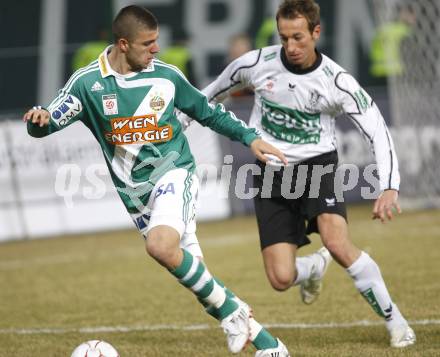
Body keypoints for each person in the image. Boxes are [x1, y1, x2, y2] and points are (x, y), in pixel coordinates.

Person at [23, 5, 290, 356]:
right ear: (122, 44)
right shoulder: (88, 84)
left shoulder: (166, 76)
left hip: (176, 173)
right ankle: (270, 346)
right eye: (148, 43)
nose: (156, 49)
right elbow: (49, 120)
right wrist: (38, 120)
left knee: (161, 247)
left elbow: (208, 111)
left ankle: (234, 313)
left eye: (156, 42)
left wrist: (250, 138)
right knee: (202, 284)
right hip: (137, 197)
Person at [179, 0, 415, 349]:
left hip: (318, 166)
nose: (291, 46)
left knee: (336, 242)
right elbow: (210, 94)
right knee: (280, 277)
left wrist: (389, 187)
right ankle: (311, 270)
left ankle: (397, 322)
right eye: (284, 37)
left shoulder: (336, 81)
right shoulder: (257, 64)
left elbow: (377, 129)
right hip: (272, 173)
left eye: (299, 37)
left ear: (316, 33)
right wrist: (179, 124)